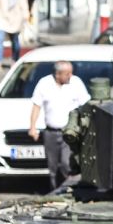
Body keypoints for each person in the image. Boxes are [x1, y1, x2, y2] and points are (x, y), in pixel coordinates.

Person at [29, 61, 90, 189]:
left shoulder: (76, 83)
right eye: (67, 74)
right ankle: (54, 192)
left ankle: (68, 190)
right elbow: (36, 106)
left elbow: (86, 105)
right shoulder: (44, 83)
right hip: (51, 132)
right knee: (52, 166)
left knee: (66, 164)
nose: (70, 76)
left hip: (69, 133)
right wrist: (33, 127)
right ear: (58, 74)